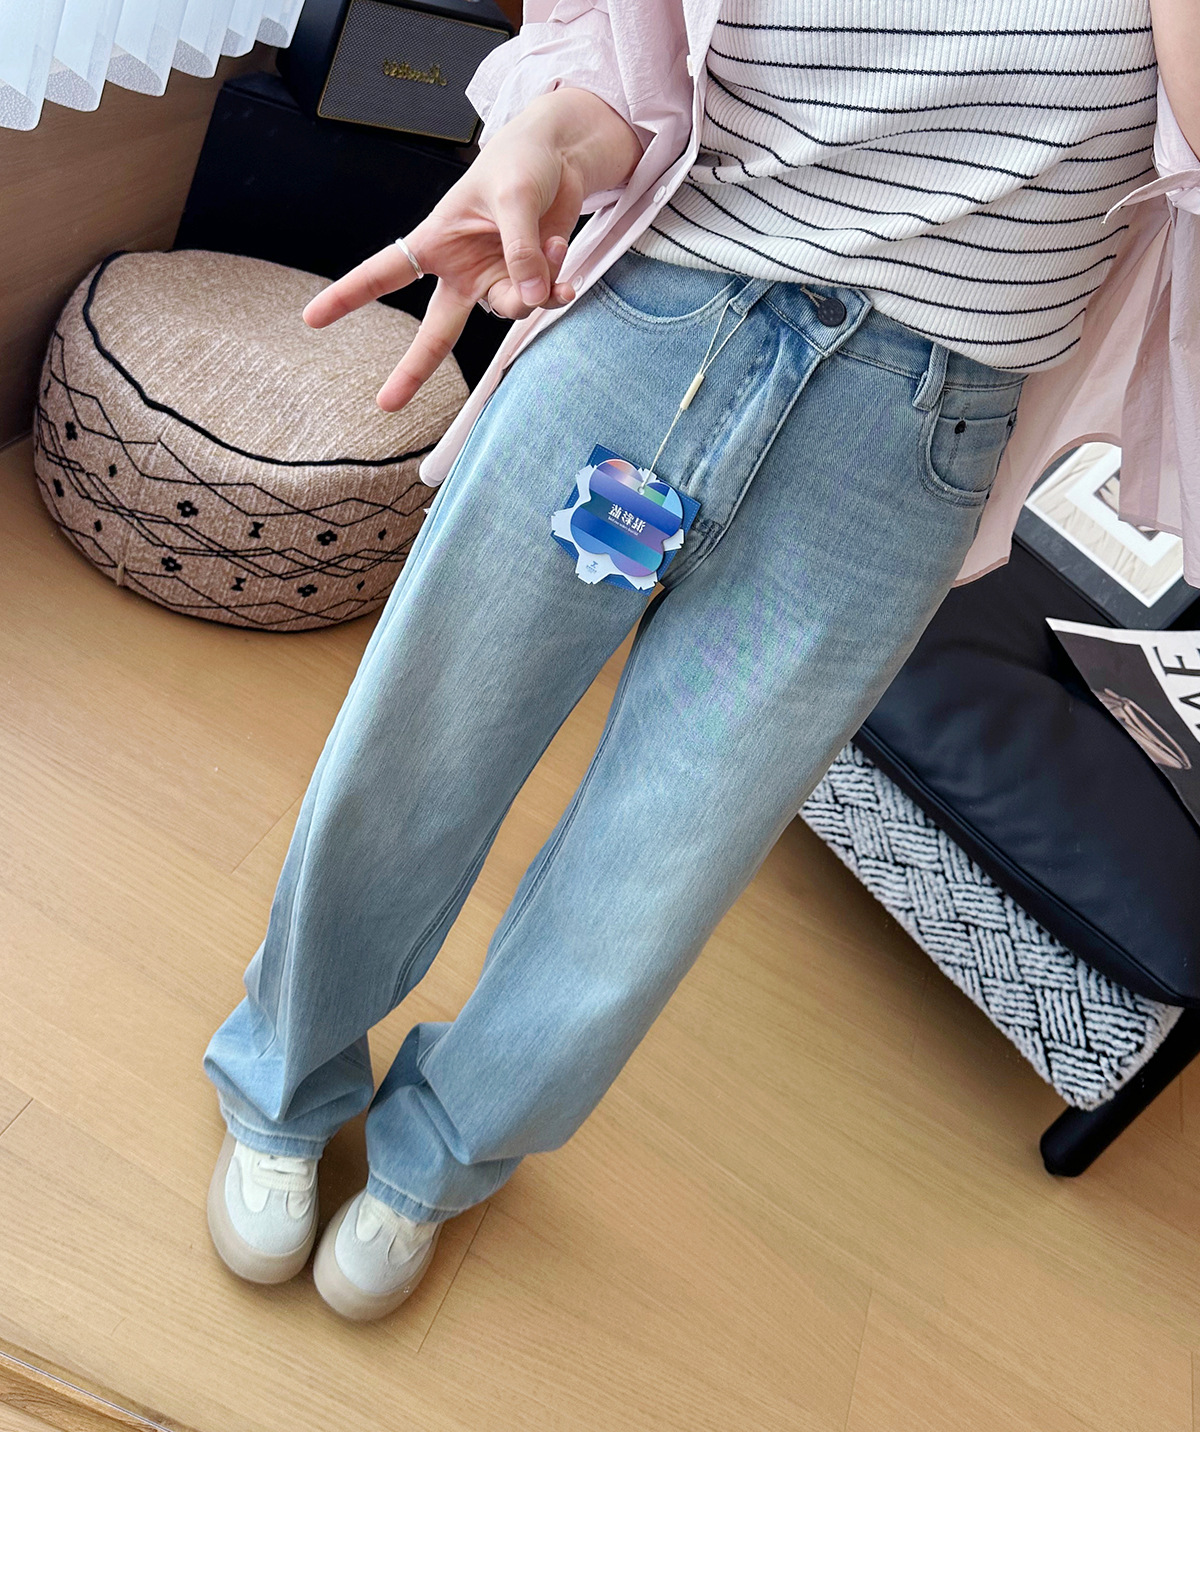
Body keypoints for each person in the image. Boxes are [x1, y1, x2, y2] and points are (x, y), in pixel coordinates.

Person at [203, 0, 1200, 1321]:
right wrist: (551, 143)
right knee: (417, 752)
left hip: (900, 449)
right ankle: (281, 1080)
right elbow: (641, 72)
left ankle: (445, 1151)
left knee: (661, 860)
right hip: (655, 330)